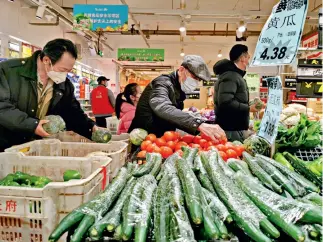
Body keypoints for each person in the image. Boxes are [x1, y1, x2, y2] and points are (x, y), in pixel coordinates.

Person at [0, 38, 98, 151]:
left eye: (68, 71)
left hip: (34, 148)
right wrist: (32, 125)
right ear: (46, 60)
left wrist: (91, 127)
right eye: (62, 69)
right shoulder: (8, 72)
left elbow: (72, 113)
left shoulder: (64, 85)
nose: (65, 75)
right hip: (5, 147)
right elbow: (2, 107)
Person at [128, 55, 226, 141]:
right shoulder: (162, 83)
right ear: (181, 70)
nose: (196, 82)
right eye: (194, 77)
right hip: (143, 138)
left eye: (198, 79)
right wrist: (198, 124)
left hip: (160, 139)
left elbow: (172, 116)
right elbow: (162, 107)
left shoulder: (178, 88)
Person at [213, 44, 260, 142]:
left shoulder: (233, 75)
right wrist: (248, 108)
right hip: (231, 130)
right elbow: (225, 103)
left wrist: (249, 103)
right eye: (247, 57)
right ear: (242, 58)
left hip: (233, 128)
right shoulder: (231, 76)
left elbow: (232, 99)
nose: (249, 59)